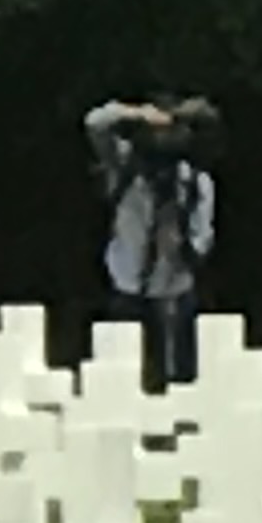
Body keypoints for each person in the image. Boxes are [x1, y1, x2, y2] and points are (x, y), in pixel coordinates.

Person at [87, 95, 222, 387]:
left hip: (173, 289)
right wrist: (137, 113)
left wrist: (182, 245)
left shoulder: (195, 182)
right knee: (120, 379)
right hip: (127, 287)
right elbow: (95, 123)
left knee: (178, 381)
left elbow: (202, 238)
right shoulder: (124, 168)